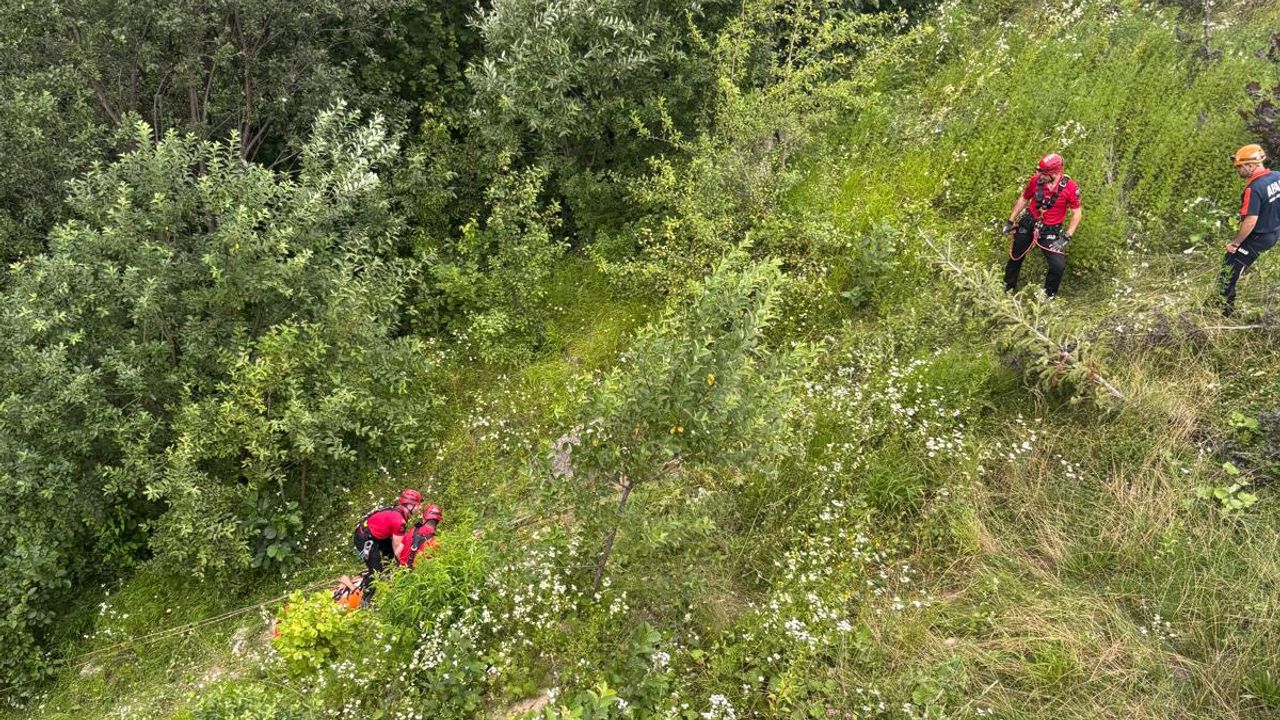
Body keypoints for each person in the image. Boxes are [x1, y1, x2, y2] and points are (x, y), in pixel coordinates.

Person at [1002, 153, 1083, 298]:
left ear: (1055, 173)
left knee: (1058, 266)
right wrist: (1010, 221)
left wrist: (1067, 236)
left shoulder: (1070, 188)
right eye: (1039, 171)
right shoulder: (1036, 180)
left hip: (1050, 231)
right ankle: (1007, 289)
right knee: (1015, 257)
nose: (1038, 175)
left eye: (1043, 173)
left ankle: (1048, 297)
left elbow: (1077, 214)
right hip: (1029, 223)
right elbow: (1024, 198)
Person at [1220, 144, 1280, 317]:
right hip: (1274, 233)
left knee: (1228, 271)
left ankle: (1223, 313)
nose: (1238, 170)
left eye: (1240, 166)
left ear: (1252, 165)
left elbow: (1250, 221)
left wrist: (1235, 243)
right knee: (1237, 265)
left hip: (1257, 237)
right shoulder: (1277, 176)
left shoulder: (1253, 188)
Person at [352, 488, 422, 574]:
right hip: (364, 538)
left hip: (378, 535)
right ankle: (368, 586)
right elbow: (398, 551)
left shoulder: (399, 511)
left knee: (391, 559)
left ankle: (390, 574)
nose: (420, 507)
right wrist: (407, 568)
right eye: (418, 505)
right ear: (410, 506)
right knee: (376, 572)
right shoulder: (399, 520)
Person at [393, 504, 442, 569]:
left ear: (424, 518)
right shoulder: (437, 541)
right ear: (438, 521)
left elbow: (397, 553)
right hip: (420, 576)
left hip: (401, 573)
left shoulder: (411, 532)